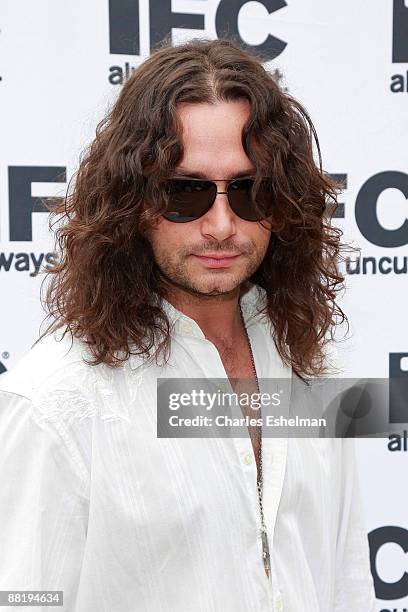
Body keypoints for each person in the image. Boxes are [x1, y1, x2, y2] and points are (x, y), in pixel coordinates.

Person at [0, 37, 376, 611]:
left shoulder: (307, 364)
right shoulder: (56, 401)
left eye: (249, 191)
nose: (222, 225)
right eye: (185, 192)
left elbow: (345, 578)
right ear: (133, 200)